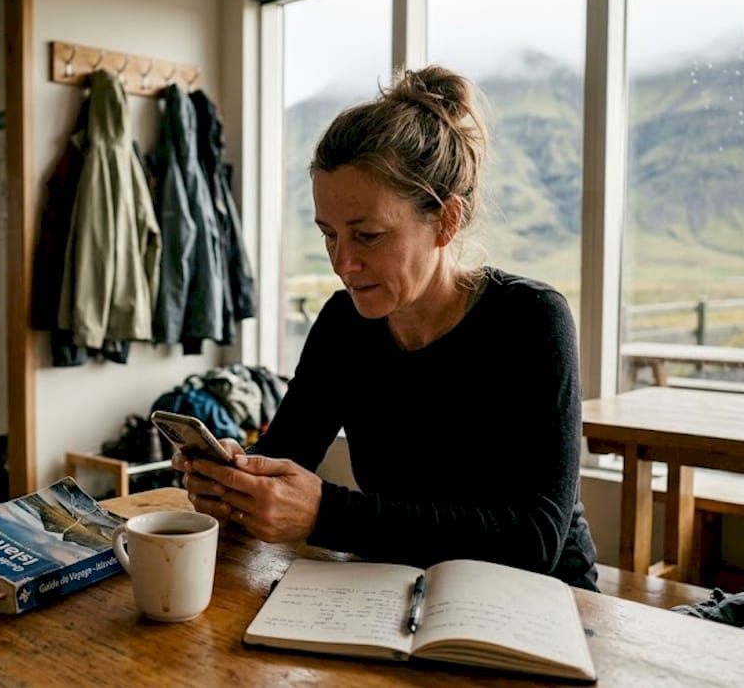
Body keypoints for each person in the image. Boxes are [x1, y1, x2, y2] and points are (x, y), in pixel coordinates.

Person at [174, 66, 598, 590]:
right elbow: (285, 454)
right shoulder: (343, 325)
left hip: (539, 601)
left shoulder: (531, 321)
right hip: (396, 589)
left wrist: (325, 515)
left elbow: (533, 540)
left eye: (368, 236)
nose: (343, 263)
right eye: (329, 235)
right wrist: (233, 477)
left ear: (445, 221)